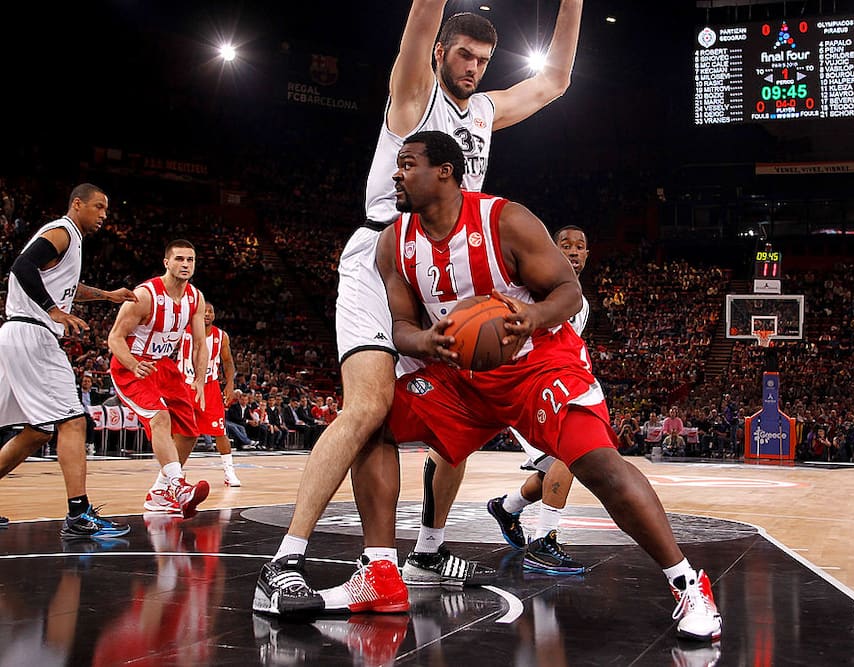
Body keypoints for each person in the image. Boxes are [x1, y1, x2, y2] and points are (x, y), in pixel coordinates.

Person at [255, 0, 583, 615]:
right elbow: (422, 22)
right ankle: (283, 564)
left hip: (447, 264)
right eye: (464, 55)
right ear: (440, 52)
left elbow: (555, 81)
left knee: (455, 421)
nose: (474, 69)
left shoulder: (484, 110)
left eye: (484, 61)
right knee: (369, 409)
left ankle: (424, 553)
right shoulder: (413, 96)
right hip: (382, 252)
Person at [351, 132, 719, 641]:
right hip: (461, 375)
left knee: (598, 464)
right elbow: (400, 326)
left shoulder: (505, 220)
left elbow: (569, 291)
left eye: (407, 164)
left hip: (537, 363)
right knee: (369, 425)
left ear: (445, 172)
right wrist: (426, 341)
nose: (396, 174)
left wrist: (533, 314)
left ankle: (688, 584)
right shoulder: (394, 242)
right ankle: (381, 571)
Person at [0, 183, 133, 539]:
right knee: (73, 421)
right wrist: (53, 310)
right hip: (35, 334)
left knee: (37, 430)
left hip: (16, 334)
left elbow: (69, 288)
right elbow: (21, 267)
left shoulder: (68, 243)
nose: (104, 215)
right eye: (99, 207)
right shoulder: (62, 231)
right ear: (78, 204)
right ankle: (78, 514)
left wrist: (107, 296)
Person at [484, 225, 590, 575]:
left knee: (554, 468)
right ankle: (543, 541)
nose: (574, 251)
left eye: (580, 247)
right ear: (551, 249)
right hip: (517, 386)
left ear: (587, 256)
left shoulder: (581, 304)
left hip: (543, 389)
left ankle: (507, 507)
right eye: (566, 245)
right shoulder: (531, 286)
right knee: (568, 453)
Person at [107, 239, 211, 518]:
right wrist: (132, 364)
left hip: (164, 367)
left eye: (190, 259)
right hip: (132, 365)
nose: (185, 264)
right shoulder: (145, 295)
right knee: (160, 418)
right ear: (167, 262)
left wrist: (200, 381)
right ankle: (178, 486)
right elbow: (114, 338)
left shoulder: (195, 298)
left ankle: (159, 493)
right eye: (179, 259)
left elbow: (201, 344)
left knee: (190, 430)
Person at [179, 302, 241, 487]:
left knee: (220, 431)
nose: (207, 314)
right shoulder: (183, 330)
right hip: (185, 384)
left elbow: (228, 362)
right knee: (180, 432)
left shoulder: (221, 336)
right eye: (203, 311)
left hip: (210, 386)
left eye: (210, 311)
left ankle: (229, 473)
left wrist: (229, 384)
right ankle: (175, 474)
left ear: (214, 315)